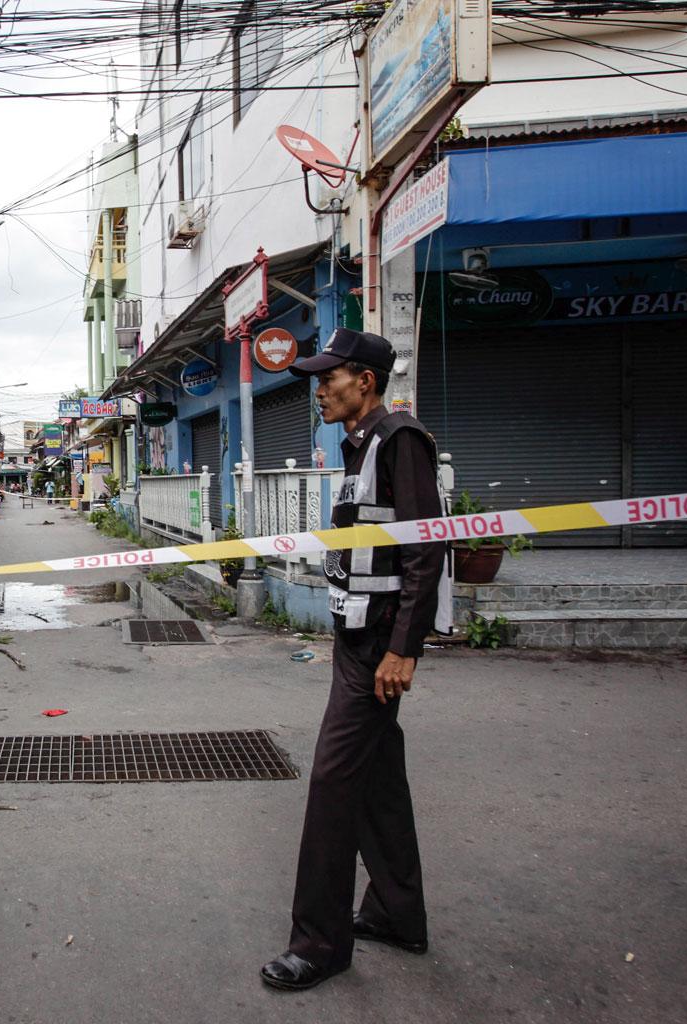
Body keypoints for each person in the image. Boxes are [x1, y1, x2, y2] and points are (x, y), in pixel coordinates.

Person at [260, 328, 448, 993]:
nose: (318, 389)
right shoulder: (360, 444)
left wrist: (403, 649)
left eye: (328, 378)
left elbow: (429, 550)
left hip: (378, 649)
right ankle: (399, 912)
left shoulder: (399, 440)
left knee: (333, 785)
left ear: (364, 381)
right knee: (375, 781)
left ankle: (319, 943)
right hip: (356, 639)